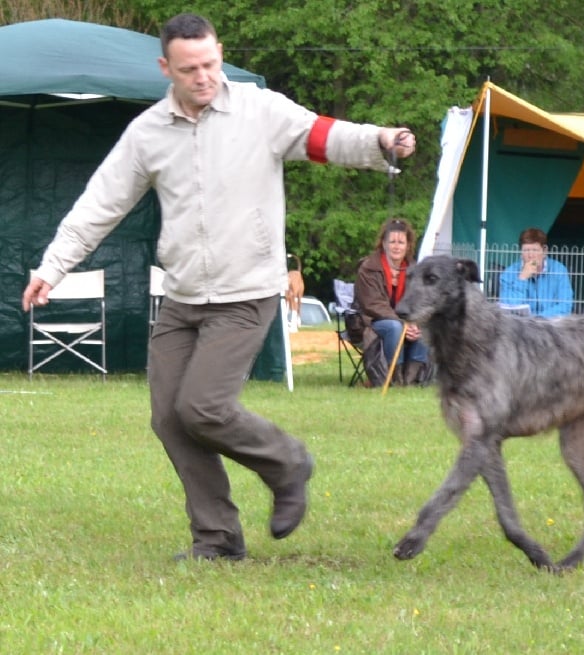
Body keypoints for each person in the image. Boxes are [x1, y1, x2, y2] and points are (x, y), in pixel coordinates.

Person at [21, 13, 416, 561]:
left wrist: (379, 139)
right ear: (166, 68)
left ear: (220, 53)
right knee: (169, 417)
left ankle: (287, 463)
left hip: (246, 292)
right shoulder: (148, 132)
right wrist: (53, 267)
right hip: (183, 297)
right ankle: (218, 539)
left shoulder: (260, 109)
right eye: (189, 69)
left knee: (202, 407)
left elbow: (322, 135)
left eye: (209, 63)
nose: (203, 76)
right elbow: (100, 203)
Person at [354, 218, 429, 386]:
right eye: (392, 242)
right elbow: (373, 305)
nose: (396, 246)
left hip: (405, 322)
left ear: (408, 246)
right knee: (394, 327)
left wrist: (415, 323)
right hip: (371, 322)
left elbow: (420, 303)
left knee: (425, 327)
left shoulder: (415, 270)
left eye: (401, 242)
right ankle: (394, 378)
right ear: (383, 244)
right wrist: (403, 323)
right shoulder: (368, 268)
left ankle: (412, 379)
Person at [498, 228, 573, 317]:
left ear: (544, 251)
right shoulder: (508, 273)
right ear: (521, 253)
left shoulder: (559, 270)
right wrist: (522, 278)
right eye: (526, 250)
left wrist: (539, 319)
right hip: (520, 323)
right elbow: (508, 306)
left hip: (551, 323)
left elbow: (565, 305)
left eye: (535, 250)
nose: (530, 255)